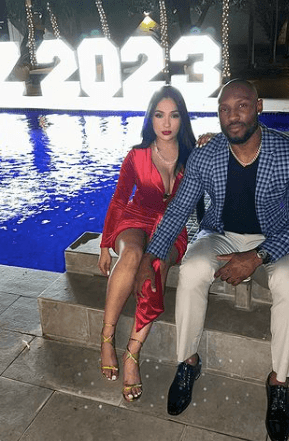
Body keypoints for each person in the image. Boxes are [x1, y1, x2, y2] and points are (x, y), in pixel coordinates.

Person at [136, 79, 289, 441]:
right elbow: (179, 209)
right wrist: (151, 255)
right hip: (220, 234)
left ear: (259, 106)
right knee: (192, 269)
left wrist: (257, 256)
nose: (233, 116)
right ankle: (188, 361)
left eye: (242, 106)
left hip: (271, 238)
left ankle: (279, 381)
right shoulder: (206, 154)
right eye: (224, 109)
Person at [98, 85, 196, 402]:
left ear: (182, 119)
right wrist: (104, 244)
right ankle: (107, 337)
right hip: (136, 217)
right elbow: (118, 199)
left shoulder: (194, 156)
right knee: (131, 256)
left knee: (155, 265)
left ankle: (132, 353)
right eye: (159, 115)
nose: (166, 123)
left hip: (172, 227)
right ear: (150, 119)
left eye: (174, 115)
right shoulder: (136, 155)